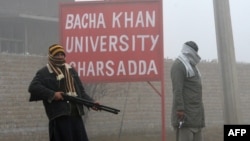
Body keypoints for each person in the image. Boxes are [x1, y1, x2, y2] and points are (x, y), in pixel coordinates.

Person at [28, 44, 99, 141]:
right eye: (57, 54)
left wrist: (91, 102)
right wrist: (53, 94)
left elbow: (81, 93)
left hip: (76, 116)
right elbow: (33, 87)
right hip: (59, 117)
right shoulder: (44, 72)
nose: (60, 57)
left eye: (62, 54)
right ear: (51, 56)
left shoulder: (71, 70)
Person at [170, 41, 205, 141]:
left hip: (196, 117)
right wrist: (180, 109)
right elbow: (177, 90)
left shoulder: (193, 67)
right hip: (185, 117)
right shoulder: (178, 66)